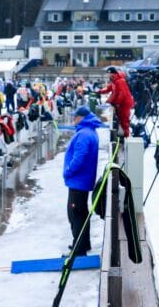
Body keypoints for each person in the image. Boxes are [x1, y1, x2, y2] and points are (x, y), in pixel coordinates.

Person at [62, 106, 101, 257]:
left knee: (75, 214)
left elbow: (79, 158)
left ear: (82, 118)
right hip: (81, 181)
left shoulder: (84, 134)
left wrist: (68, 171)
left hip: (78, 181)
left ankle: (79, 249)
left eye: (76, 116)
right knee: (81, 213)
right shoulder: (89, 131)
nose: (74, 119)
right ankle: (83, 243)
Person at [98, 67, 134, 137]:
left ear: (112, 73)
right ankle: (121, 135)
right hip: (120, 103)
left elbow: (122, 94)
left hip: (124, 103)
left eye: (108, 73)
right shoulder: (114, 81)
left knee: (124, 120)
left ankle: (126, 137)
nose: (107, 75)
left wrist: (116, 103)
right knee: (120, 119)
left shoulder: (120, 81)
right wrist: (99, 91)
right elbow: (108, 89)